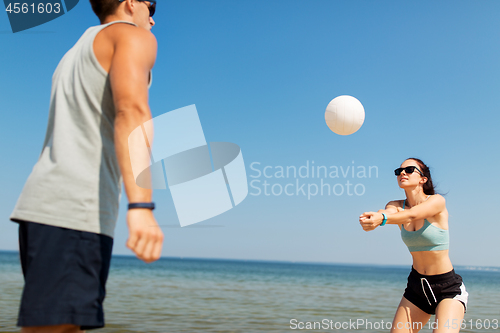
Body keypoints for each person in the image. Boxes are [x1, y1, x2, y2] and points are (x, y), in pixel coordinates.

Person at [9, 1, 163, 332]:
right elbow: (132, 111)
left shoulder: (77, 50)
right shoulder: (133, 37)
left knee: (59, 326)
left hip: (44, 210)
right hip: (75, 211)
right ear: (130, 3)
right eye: (151, 5)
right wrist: (142, 205)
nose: (152, 16)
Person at [359, 158, 468, 333]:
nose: (402, 173)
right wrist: (376, 218)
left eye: (409, 170)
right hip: (416, 287)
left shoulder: (437, 201)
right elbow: (387, 212)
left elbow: (412, 215)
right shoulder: (395, 205)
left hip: (447, 288)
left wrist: (383, 219)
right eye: (398, 171)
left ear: (423, 179)